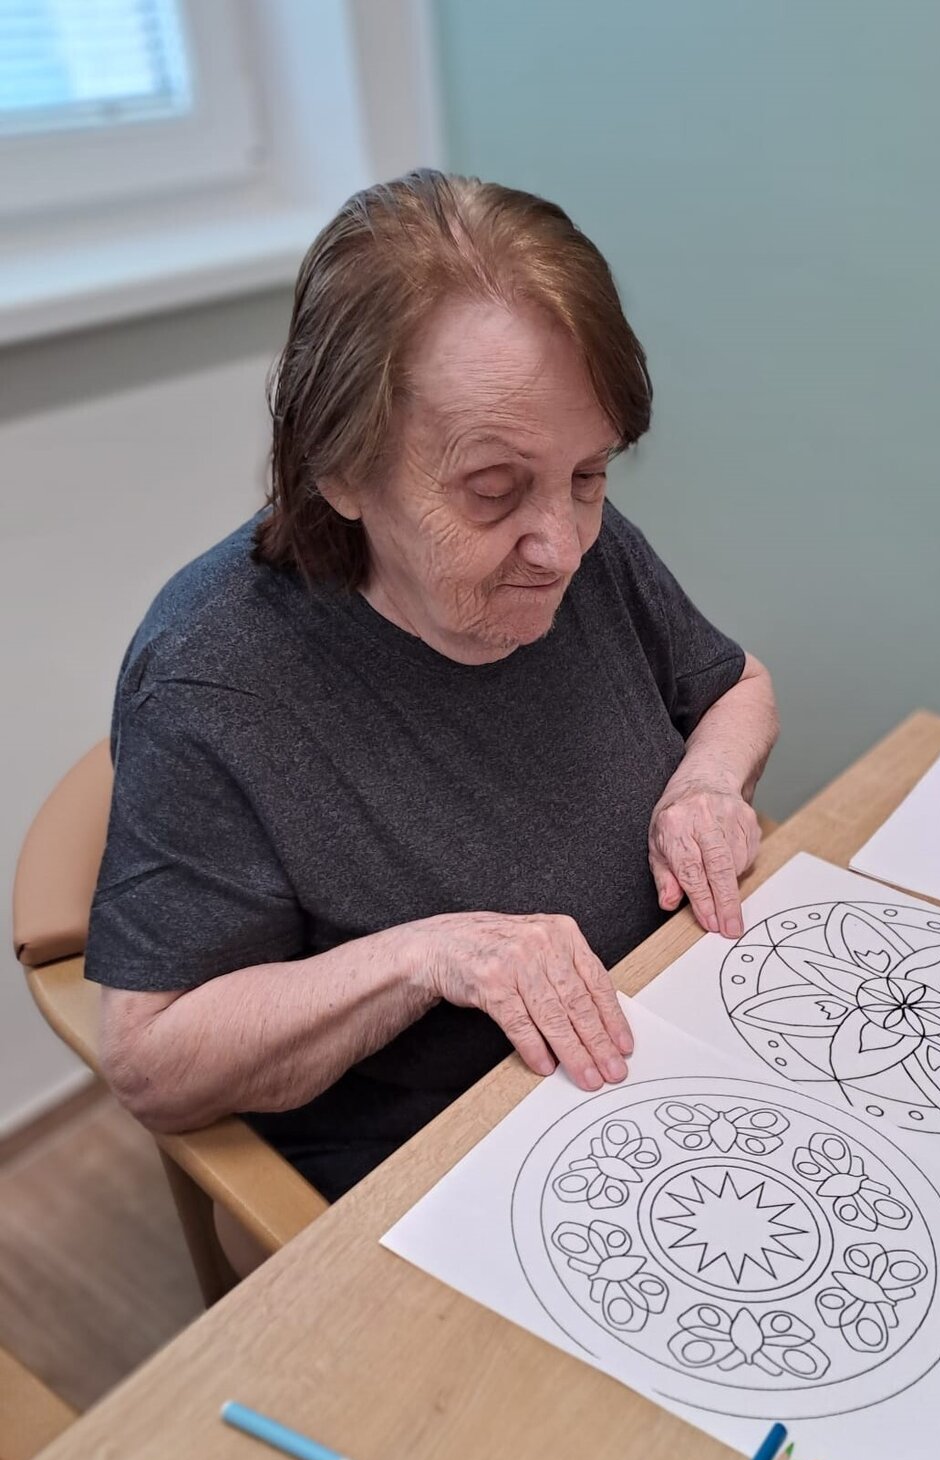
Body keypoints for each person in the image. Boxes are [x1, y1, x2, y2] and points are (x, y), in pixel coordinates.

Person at [86, 170, 778, 1200]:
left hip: (670, 1050)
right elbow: (151, 1059)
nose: (560, 546)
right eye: (493, 491)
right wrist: (432, 957)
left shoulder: (577, 544)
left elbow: (735, 684)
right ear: (340, 469)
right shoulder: (214, 679)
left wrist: (707, 784)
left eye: (589, 476)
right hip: (449, 1171)